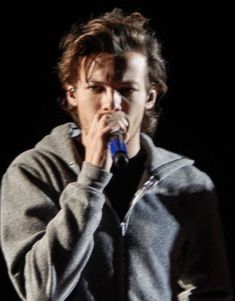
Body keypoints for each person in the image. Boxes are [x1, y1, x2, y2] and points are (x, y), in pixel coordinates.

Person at [0, 8, 233, 301]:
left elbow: (209, 291)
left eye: (126, 90)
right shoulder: (33, 172)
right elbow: (40, 291)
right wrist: (90, 182)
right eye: (96, 88)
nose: (112, 104)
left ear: (150, 96)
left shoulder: (188, 183)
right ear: (72, 93)